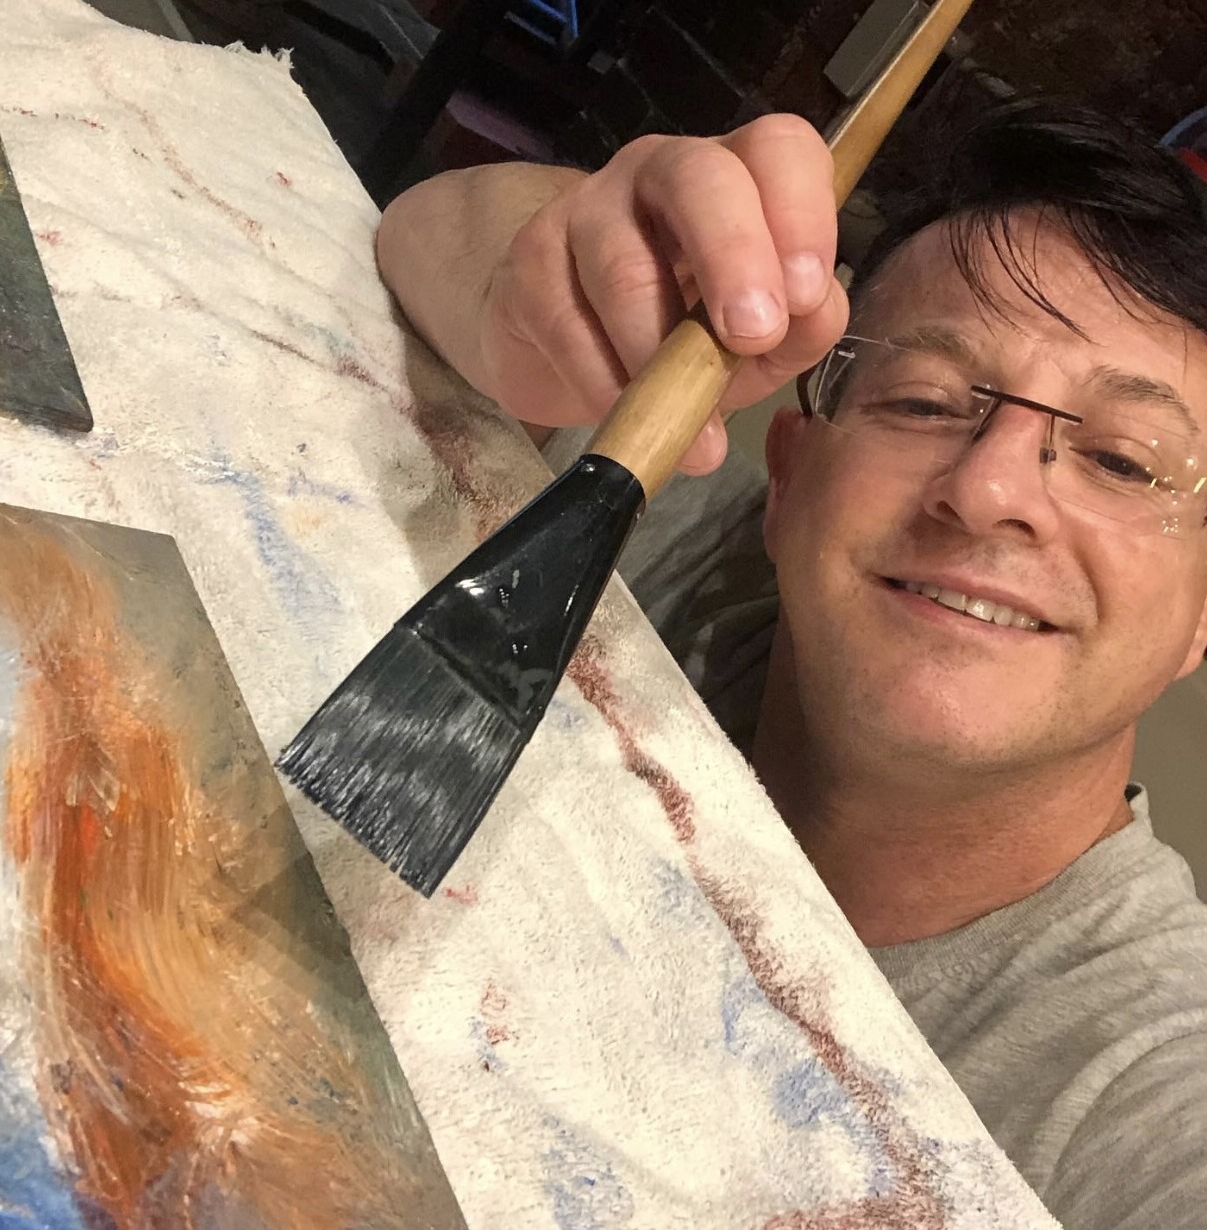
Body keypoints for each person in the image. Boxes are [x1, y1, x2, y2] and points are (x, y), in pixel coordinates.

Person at [374, 100, 1207, 1228]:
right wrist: (542, 261)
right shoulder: (656, 549)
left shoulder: (1138, 1079)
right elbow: (424, 229)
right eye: (925, 401)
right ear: (789, 476)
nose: (987, 489)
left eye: (1123, 461)